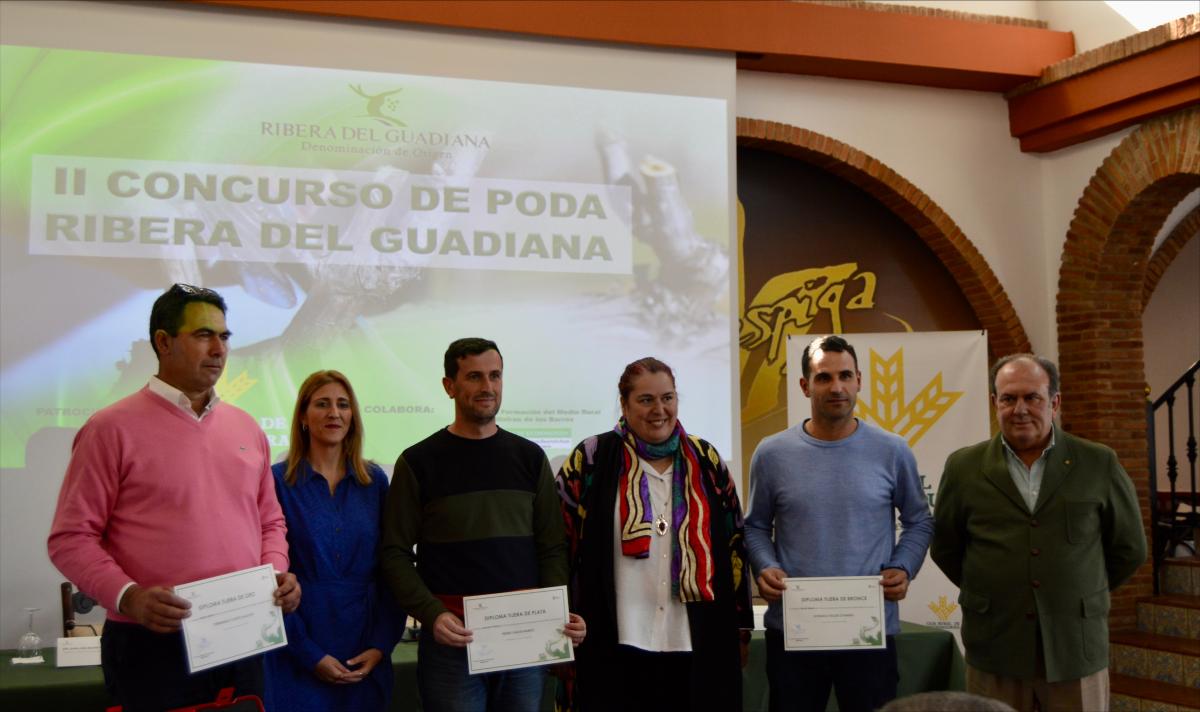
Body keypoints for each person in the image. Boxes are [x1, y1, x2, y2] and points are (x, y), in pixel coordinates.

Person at [47, 283, 300, 711]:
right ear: (163, 342)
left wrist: (273, 575)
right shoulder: (110, 429)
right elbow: (70, 538)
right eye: (203, 335)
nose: (219, 349)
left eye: (224, 336)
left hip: (242, 636)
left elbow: (270, 522)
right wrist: (129, 595)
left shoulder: (246, 428)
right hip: (151, 643)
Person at [931, 354, 1146, 712]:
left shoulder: (1098, 462)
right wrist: (993, 588)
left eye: (1032, 397)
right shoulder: (963, 467)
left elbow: (1130, 548)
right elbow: (946, 547)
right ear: (994, 403)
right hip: (994, 645)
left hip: (1074, 648)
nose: (1020, 409)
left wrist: (1080, 589)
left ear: (1055, 402)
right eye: (1009, 398)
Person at [380, 338, 586, 712]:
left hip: (525, 640)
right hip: (452, 644)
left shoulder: (529, 458)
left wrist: (554, 609)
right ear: (449, 386)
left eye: (495, 376)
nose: (487, 387)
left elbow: (552, 547)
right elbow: (393, 553)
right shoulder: (417, 462)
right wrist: (431, 613)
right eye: (474, 376)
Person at [745, 335, 933, 712]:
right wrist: (765, 566)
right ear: (804, 385)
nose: (837, 387)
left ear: (860, 380)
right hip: (795, 632)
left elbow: (919, 520)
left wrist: (903, 566)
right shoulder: (772, 453)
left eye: (845, 375)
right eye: (823, 377)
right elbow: (754, 527)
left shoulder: (893, 450)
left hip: (868, 631)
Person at [556, 357, 753, 712]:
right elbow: (560, 543)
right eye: (646, 400)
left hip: (695, 639)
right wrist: (556, 617)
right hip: (612, 638)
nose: (659, 410)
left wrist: (740, 629)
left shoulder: (706, 460)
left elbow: (735, 543)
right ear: (625, 404)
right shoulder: (591, 458)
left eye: (668, 397)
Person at [263, 370, 404, 712]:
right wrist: (309, 655)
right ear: (302, 417)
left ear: (353, 416)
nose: (334, 413)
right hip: (297, 646)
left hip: (365, 647)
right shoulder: (277, 481)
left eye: (343, 405)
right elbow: (270, 579)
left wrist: (381, 645)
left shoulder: (375, 482)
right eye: (322, 404)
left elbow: (393, 567)